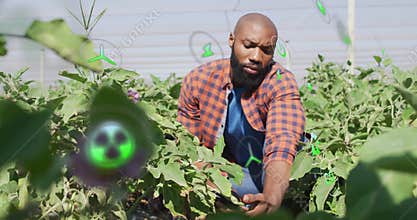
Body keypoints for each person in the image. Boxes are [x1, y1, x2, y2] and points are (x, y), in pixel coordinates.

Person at [177, 12, 306, 216]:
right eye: (248, 46)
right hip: (238, 172)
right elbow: (188, 146)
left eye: (266, 50)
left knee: (308, 178)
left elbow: (283, 139)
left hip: (275, 171)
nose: (256, 57)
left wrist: (273, 195)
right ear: (231, 40)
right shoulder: (199, 80)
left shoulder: (280, 80)